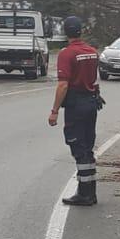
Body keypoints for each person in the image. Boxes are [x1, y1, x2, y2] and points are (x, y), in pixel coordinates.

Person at [47, 16, 102, 206]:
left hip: (76, 104)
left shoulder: (67, 54)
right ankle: (89, 190)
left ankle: (85, 193)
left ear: (65, 32)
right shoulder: (92, 52)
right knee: (87, 147)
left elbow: (63, 85)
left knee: (78, 147)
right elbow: (94, 80)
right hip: (91, 103)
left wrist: (54, 110)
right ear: (81, 30)